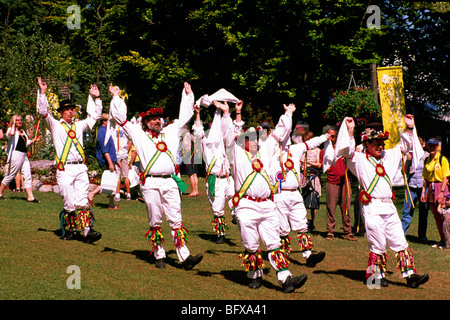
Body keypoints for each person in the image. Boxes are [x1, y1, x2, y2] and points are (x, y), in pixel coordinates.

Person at [108, 82, 203, 270]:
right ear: (145, 122)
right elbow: (121, 119)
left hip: (170, 182)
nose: (157, 121)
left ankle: (184, 256)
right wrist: (116, 97)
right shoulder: (138, 135)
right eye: (153, 119)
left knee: (176, 219)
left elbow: (184, 116)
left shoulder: (170, 132)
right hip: (150, 183)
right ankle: (159, 253)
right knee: (155, 218)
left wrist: (187, 95)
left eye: (159, 118)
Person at [223, 99, 308, 293]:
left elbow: (280, 133)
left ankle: (286, 279)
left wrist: (288, 114)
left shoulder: (266, 150)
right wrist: (230, 114)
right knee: (251, 243)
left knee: (274, 242)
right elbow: (228, 136)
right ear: (242, 140)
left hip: (267, 205)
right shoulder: (235, 153)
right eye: (249, 138)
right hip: (246, 205)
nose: (253, 141)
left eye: (255, 138)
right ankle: (254, 274)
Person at [337, 117, 429, 288]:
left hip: (389, 206)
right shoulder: (359, 159)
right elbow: (347, 151)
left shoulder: (389, 156)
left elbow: (405, 145)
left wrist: (409, 128)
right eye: (376, 143)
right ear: (366, 144)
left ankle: (411, 276)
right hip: (372, 207)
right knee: (377, 242)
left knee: (400, 241)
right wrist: (350, 131)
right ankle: (374, 278)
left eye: (382, 143)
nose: (380, 146)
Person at [37, 77, 102, 244]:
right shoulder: (55, 125)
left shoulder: (79, 125)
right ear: (61, 112)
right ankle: (71, 230)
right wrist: (42, 93)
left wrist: (96, 98)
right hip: (64, 168)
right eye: (67, 109)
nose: (70, 112)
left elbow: (94, 117)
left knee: (82, 200)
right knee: (69, 201)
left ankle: (87, 232)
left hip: (80, 168)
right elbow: (43, 112)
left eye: (72, 109)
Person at [271, 120, 329, 268]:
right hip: (279, 194)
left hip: (295, 193)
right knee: (283, 227)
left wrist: (325, 137)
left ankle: (308, 255)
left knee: (302, 223)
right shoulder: (270, 153)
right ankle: (283, 255)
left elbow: (311, 143)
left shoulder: (295, 149)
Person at [193, 102, 234, 244]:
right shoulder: (205, 142)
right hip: (214, 180)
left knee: (235, 198)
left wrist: (225, 112)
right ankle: (220, 234)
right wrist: (197, 113)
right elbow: (198, 131)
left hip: (228, 178)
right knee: (218, 209)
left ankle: (236, 215)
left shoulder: (223, 143)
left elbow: (228, 131)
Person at [320, 126, 356, 241]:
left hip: (345, 181)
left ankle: (347, 231)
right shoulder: (324, 151)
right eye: (329, 136)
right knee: (331, 207)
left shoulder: (343, 150)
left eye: (334, 136)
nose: (331, 138)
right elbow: (322, 165)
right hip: (332, 181)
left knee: (346, 207)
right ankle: (330, 231)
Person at [0, 114, 41, 203]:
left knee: (27, 175)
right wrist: (13, 124)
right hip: (16, 155)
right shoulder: (11, 130)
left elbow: (25, 142)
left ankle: (30, 197)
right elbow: (11, 134)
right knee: (11, 175)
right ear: (14, 121)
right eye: (17, 120)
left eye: (20, 120)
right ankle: (0, 193)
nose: (19, 121)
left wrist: (35, 140)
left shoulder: (22, 131)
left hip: (24, 155)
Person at [421, 137, 450, 249]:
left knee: (444, 215)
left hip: (440, 187)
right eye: (430, 145)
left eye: (434, 145)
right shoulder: (427, 160)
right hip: (431, 188)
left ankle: (448, 241)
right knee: (436, 216)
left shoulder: (442, 159)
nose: (431, 147)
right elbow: (425, 178)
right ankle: (442, 240)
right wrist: (423, 191)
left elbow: (445, 177)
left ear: (437, 147)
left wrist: (442, 192)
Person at [88, 113, 120, 209]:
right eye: (110, 121)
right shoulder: (102, 132)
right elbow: (104, 149)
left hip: (110, 159)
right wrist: (110, 163)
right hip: (106, 160)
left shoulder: (107, 131)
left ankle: (111, 204)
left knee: (112, 181)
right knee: (107, 181)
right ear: (104, 121)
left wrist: (116, 160)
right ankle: (91, 195)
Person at [400, 137, 429, 242]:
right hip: (411, 187)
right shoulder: (410, 156)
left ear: (423, 145)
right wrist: (407, 161)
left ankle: (422, 236)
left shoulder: (427, 156)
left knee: (423, 212)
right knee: (407, 211)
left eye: (418, 145)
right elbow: (404, 172)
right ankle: (401, 235)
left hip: (423, 187)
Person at [300, 131, 322, 231]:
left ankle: (312, 222)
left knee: (314, 201)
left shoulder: (317, 150)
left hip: (313, 176)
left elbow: (319, 164)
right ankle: (303, 221)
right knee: (302, 200)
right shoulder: (302, 150)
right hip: (303, 176)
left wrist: (308, 163)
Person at [112, 125, 131, 201]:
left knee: (117, 176)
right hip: (124, 155)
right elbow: (129, 142)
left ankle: (117, 195)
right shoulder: (125, 129)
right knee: (126, 176)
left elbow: (112, 143)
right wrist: (126, 152)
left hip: (117, 155)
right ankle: (128, 194)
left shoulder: (113, 129)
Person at [183, 129, 200, 197]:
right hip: (195, 155)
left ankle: (193, 191)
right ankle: (196, 190)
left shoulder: (186, 137)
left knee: (191, 174)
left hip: (189, 156)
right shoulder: (192, 136)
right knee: (195, 174)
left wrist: (184, 155)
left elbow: (187, 148)